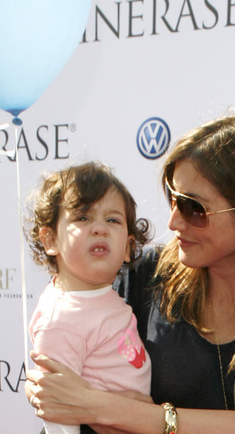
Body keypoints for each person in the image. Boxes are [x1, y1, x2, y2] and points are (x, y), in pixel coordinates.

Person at [26, 114, 235, 434]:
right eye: (173, 199)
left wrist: (103, 407)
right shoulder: (147, 276)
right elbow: (53, 380)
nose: (174, 222)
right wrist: (52, 390)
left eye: (194, 207)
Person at [25, 162, 152, 434]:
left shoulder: (104, 297)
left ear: (129, 247)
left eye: (113, 220)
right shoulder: (61, 320)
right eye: (83, 218)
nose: (99, 228)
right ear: (50, 241)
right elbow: (58, 412)